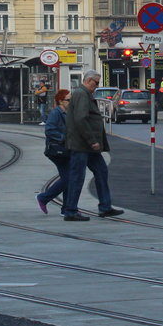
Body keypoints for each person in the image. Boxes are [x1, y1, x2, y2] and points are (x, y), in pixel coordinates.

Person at [63, 70, 124, 221]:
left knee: (101, 171)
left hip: (87, 146)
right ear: (89, 80)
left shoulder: (84, 94)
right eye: (96, 83)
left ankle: (105, 206)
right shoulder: (81, 94)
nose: (96, 86)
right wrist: (92, 140)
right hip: (82, 145)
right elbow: (81, 119)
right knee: (78, 176)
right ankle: (70, 211)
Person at [35, 89, 71, 214]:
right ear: (61, 101)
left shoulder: (67, 112)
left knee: (68, 178)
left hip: (65, 150)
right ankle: (44, 198)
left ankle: (66, 208)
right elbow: (49, 130)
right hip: (57, 151)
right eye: (68, 100)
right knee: (68, 178)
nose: (71, 102)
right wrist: (63, 138)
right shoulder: (56, 113)